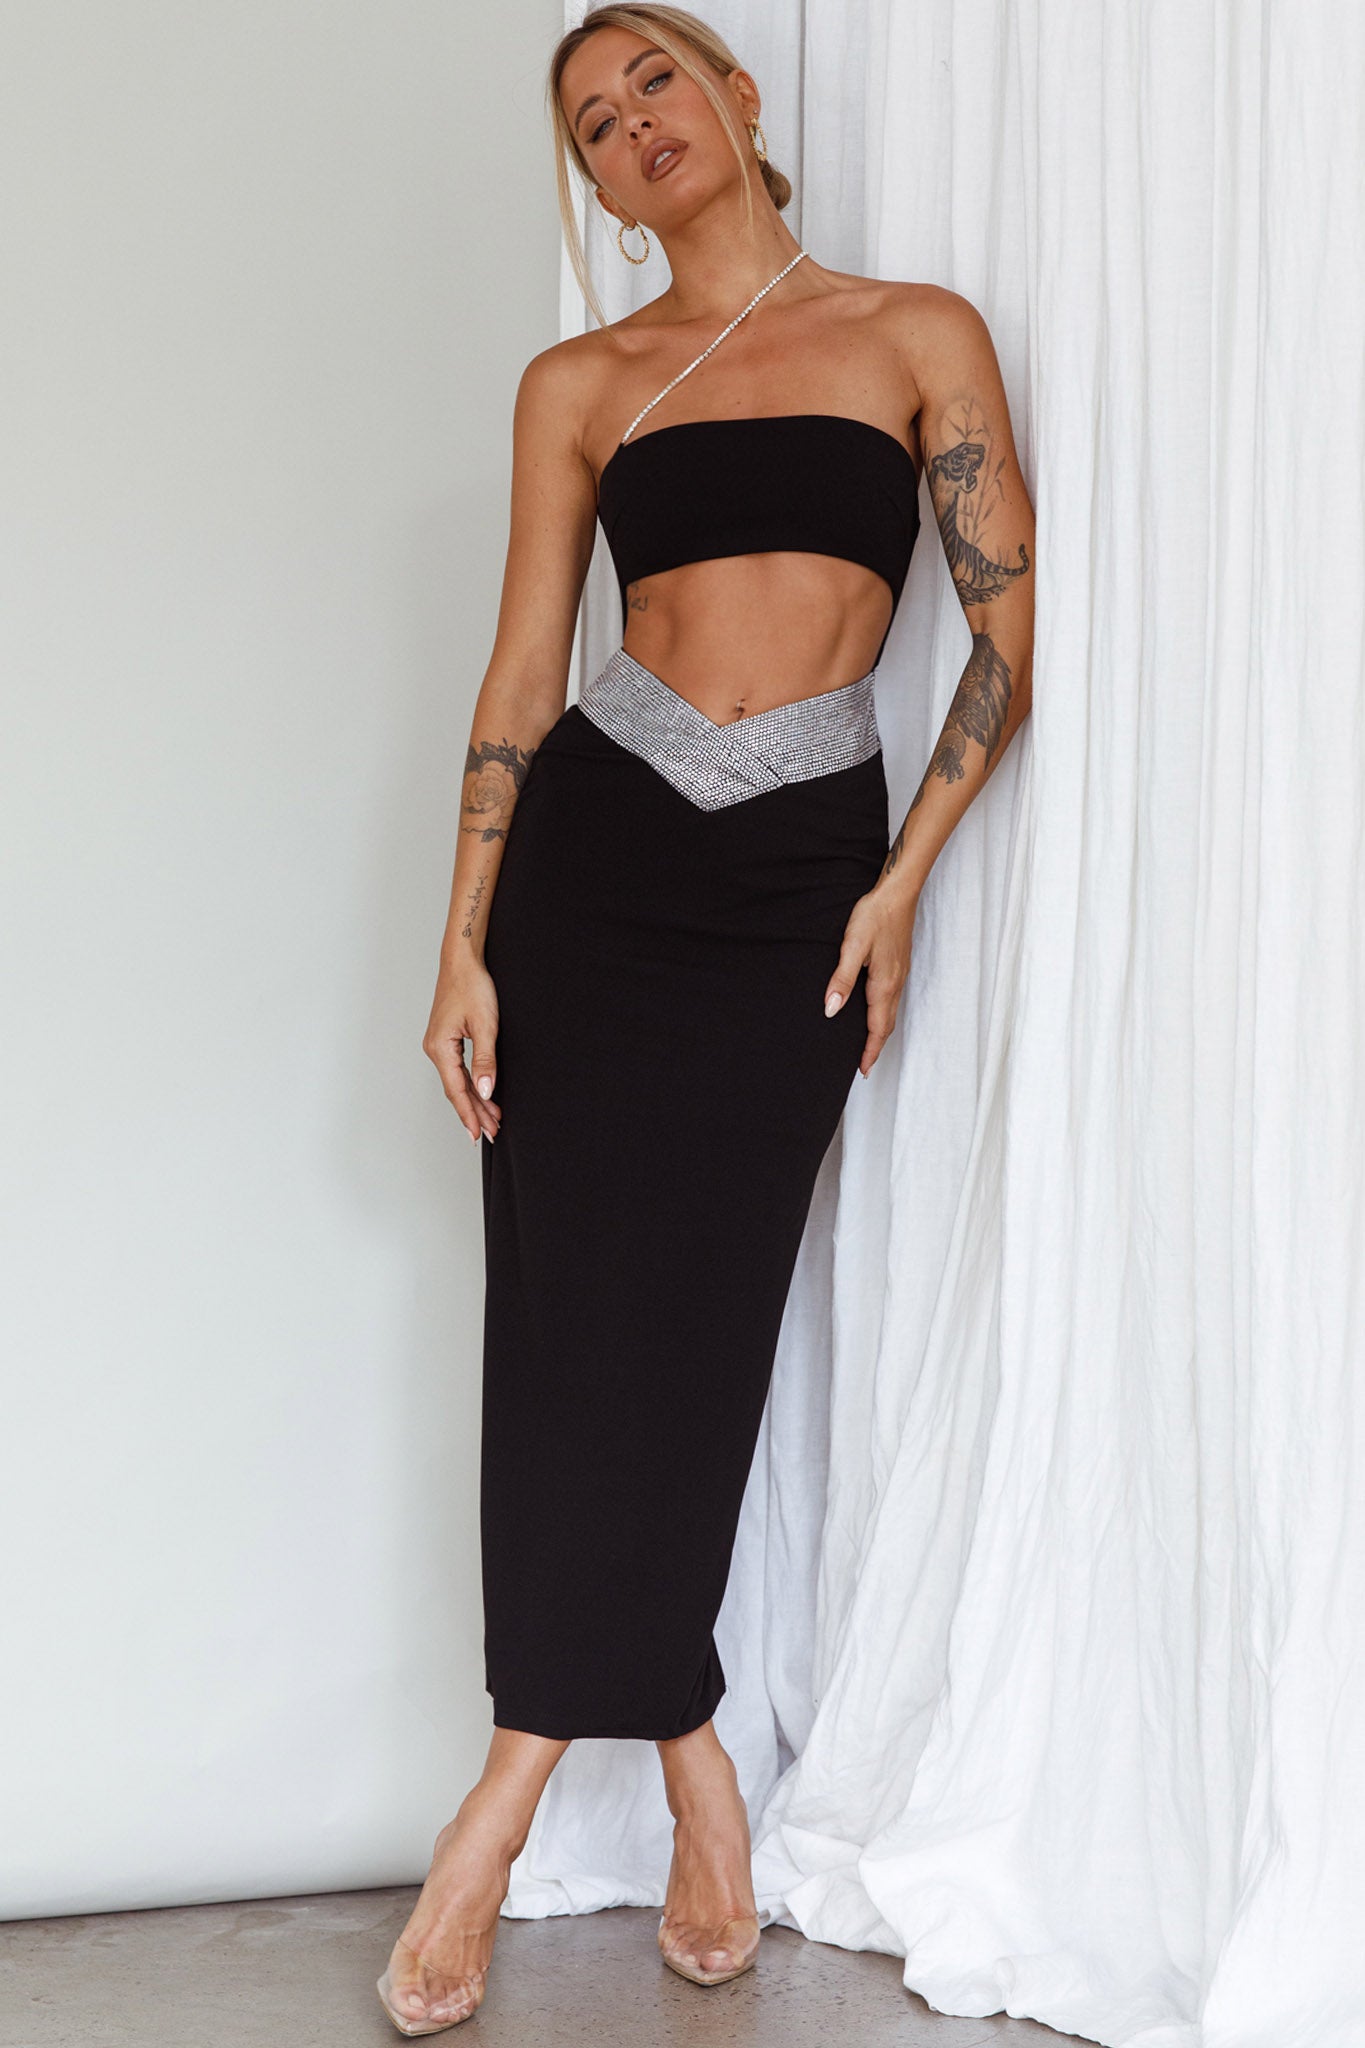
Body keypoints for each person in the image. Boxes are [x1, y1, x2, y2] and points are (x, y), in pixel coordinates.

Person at [377, 3, 1035, 2033]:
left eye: (653, 78)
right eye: (593, 120)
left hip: (795, 883)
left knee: (704, 1313)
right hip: (593, 862)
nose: (631, 122)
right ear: (591, 184)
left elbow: (1002, 639)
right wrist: (461, 939)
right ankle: (621, 1782)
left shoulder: (913, 332)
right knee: (563, 1316)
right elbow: (521, 672)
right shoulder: (580, 381)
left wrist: (901, 878)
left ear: (738, 101)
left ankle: (572, 1781)